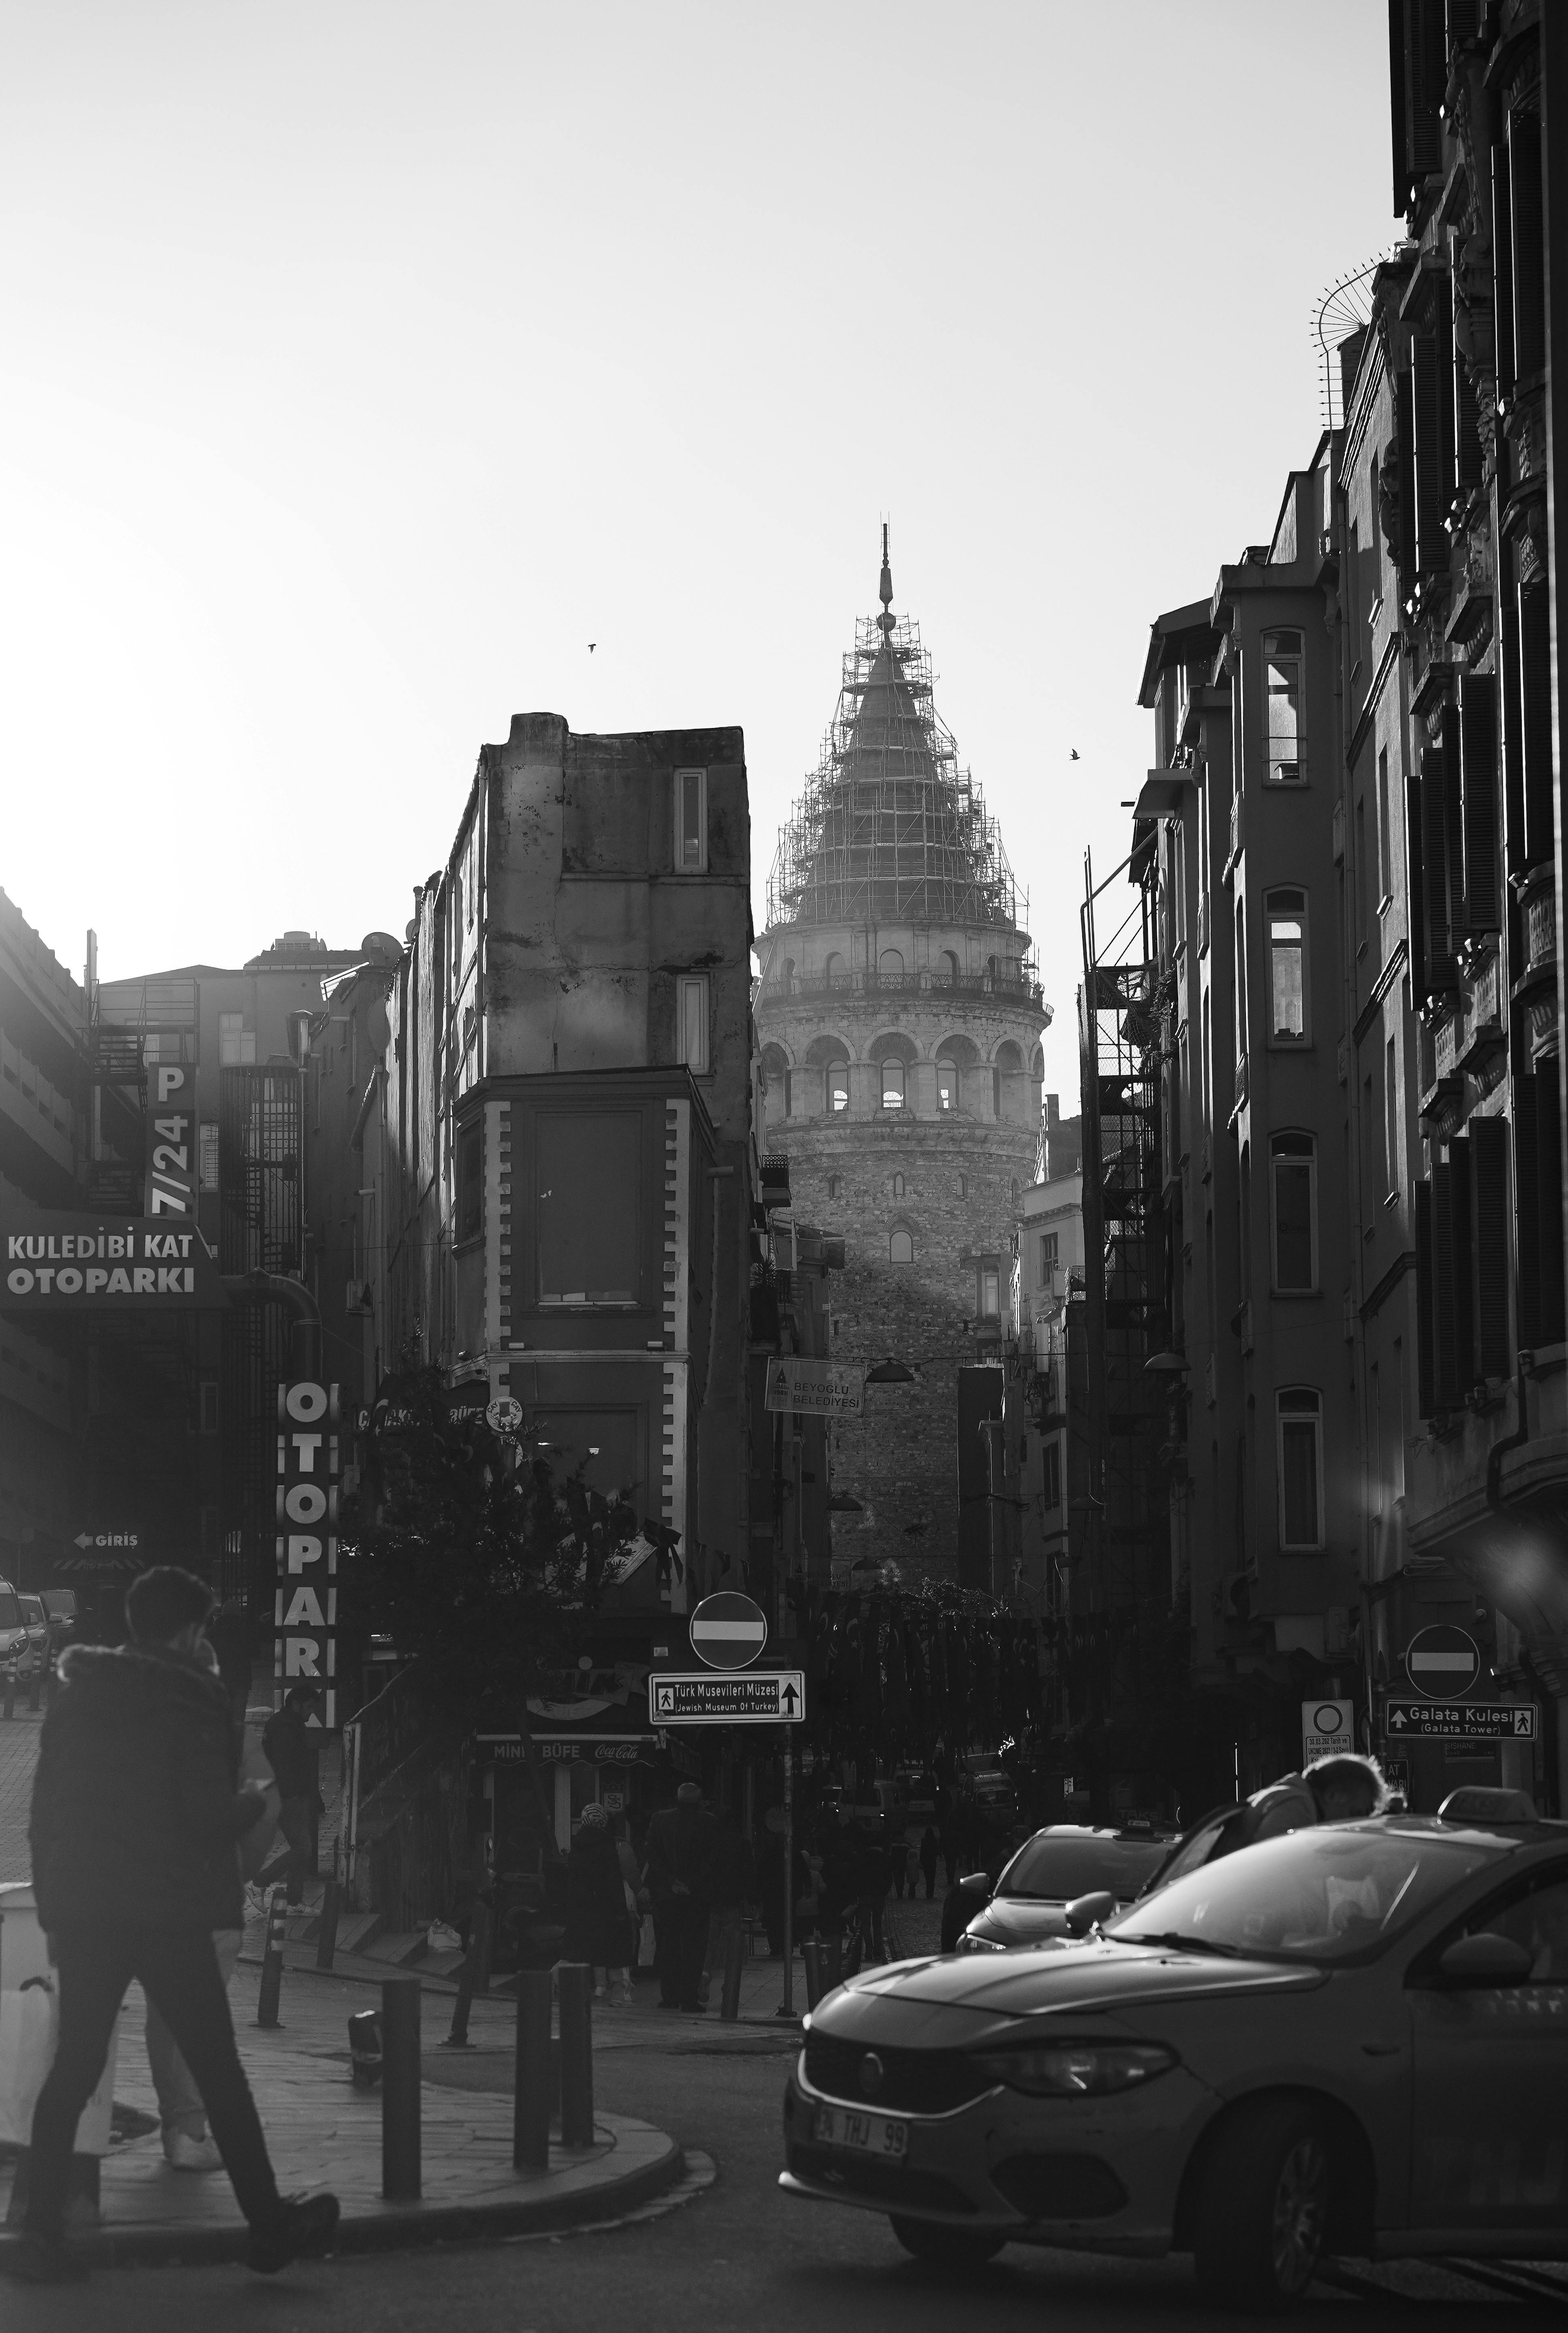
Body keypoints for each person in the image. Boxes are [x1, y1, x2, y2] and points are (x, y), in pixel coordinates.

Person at [12, 1564, 338, 2285]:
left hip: (91, 1911)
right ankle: (269, 2226)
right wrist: (251, 1803)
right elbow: (202, 1817)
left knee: (74, 2065)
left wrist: (55, 1909)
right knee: (219, 2071)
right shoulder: (191, 1697)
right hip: (165, 1912)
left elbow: (45, 1812)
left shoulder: (77, 1695)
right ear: (192, 1631)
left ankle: (38, 2232)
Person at [643, 1782, 714, 2012]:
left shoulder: (660, 1820)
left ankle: (670, 1996)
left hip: (667, 1896)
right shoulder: (709, 1823)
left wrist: (671, 1883)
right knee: (694, 1948)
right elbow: (712, 1859)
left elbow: (652, 1855)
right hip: (697, 1897)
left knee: (668, 1946)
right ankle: (689, 1997)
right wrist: (692, 1884)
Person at [562, 1803, 633, 2004]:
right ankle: (618, 1994)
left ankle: (596, 1988)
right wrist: (620, 1910)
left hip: (581, 1908)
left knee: (584, 1951)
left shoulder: (577, 1845)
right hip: (605, 1908)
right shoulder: (607, 1844)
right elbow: (613, 1880)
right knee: (612, 1949)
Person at [262, 1682, 323, 1906]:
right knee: (302, 1849)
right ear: (296, 1705)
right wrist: (293, 1795)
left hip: (290, 1795)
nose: (311, 1714)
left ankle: (295, 1902)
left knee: (302, 1850)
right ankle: (261, 1881)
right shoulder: (285, 1728)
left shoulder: (287, 1724)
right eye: (308, 1708)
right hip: (287, 1797)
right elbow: (285, 1765)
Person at [698, 1809, 755, 2006]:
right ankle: (730, 1986)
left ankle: (703, 1981)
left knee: (708, 1945)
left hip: (710, 1901)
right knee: (733, 1947)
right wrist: (749, 1899)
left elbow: (702, 1871)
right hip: (732, 1901)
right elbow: (748, 1874)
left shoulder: (708, 1844)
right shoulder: (741, 1844)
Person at [919, 1825, 938, 1900]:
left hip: (926, 1862)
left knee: (927, 1879)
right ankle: (931, 1893)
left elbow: (922, 1852)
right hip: (932, 1861)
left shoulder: (924, 1840)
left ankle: (928, 1893)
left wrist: (921, 1861)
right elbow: (937, 1851)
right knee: (932, 1879)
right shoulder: (935, 1840)